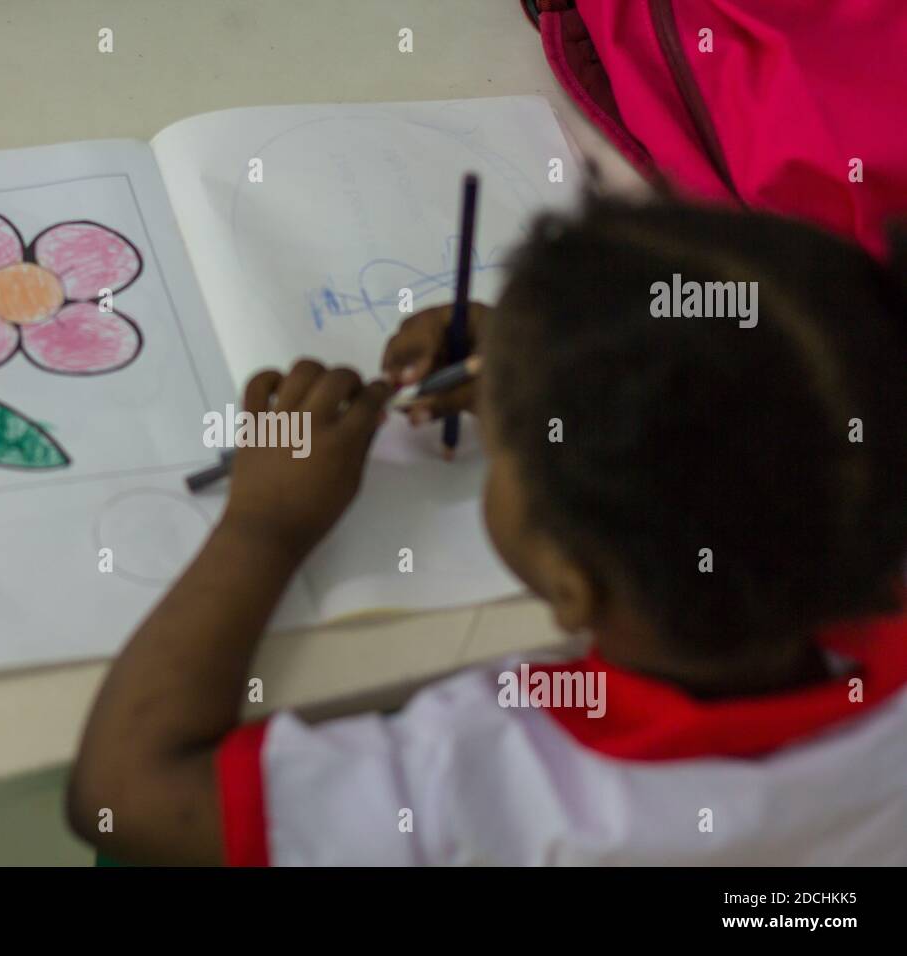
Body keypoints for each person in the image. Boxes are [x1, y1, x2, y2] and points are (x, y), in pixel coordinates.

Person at [67, 197, 907, 865]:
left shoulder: (485, 783)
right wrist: (553, 358)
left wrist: (264, 524)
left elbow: (125, 794)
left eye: (508, 448)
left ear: (570, 582)